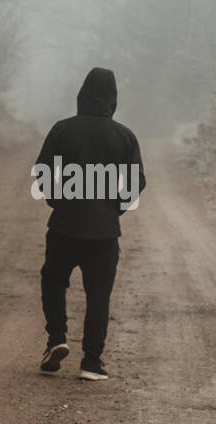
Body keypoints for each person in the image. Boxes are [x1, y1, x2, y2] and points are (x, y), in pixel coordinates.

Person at [33, 67, 145, 380]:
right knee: (99, 295)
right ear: (113, 99)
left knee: (54, 281)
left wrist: (58, 200)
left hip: (64, 228)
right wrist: (115, 209)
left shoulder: (62, 130)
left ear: (82, 93)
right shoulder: (124, 136)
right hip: (104, 234)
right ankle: (92, 362)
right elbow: (137, 181)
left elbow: (43, 171)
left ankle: (56, 339)